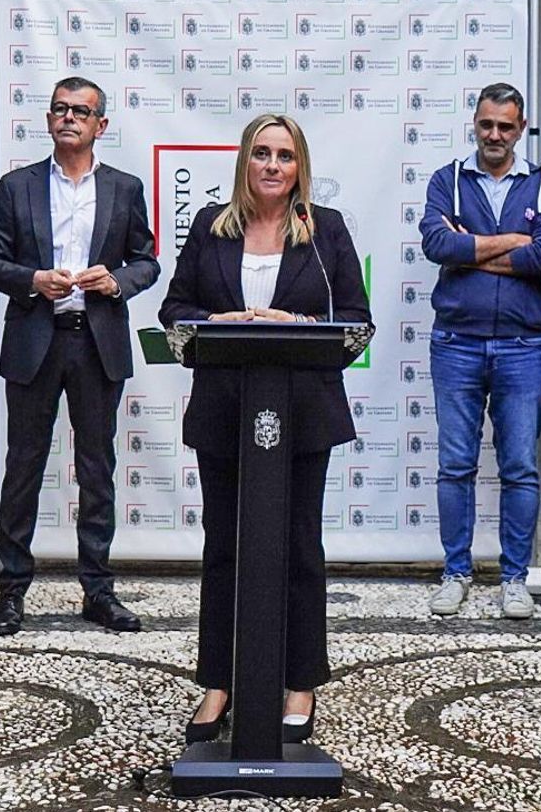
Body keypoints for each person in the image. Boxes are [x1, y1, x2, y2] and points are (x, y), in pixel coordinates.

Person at [158, 113, 371, 742]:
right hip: (225, 410)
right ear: (244, 163)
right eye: (261, 154)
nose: (273, 166)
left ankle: (300, 680)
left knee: (299, 545)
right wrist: (220, 319)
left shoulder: (324, 231)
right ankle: (218, 681)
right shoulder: (210, 227)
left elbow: (355, 319)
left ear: (300, 165)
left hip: (301, 412)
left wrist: (299, 325)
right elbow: (174, 310)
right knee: (224, 545)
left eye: (284, 155)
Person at [0, 76, 161, 637]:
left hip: (96, 341)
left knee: (97, 469)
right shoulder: (18, 186)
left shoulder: (124, 189)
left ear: (100, 125)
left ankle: (98, 591)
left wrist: (117, 282)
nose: (68, 118)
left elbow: (146, 260)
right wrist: (33, 279)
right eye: (59, 109)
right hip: (37, 339)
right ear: (49, 119)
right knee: (24, 466)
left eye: (81, 111)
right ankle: (11, 592)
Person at [419, 82, 541, 619]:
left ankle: (514, 579)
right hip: (456, 343)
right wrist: (512, 242)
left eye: (506, 126)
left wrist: (474, 248)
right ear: (475, 124)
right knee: (455, 464)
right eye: (487, 124)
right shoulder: (448, 180)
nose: (495, 135)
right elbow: (437, 245)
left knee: (520, 466)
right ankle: (455, 572)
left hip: (523, 346)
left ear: (521, 128)